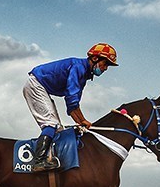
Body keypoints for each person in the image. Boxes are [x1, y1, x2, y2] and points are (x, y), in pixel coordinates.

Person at [22, 43, 118, 172]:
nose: (106, 68)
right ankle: (39, 161)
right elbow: (72, 101)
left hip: (41, 87)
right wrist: (82, 121)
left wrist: (81, 122)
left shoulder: (84, 75)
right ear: (95, 58)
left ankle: (51, 159)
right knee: (51, 125)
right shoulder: (78, 67)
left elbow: (74, 103)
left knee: (58, 129)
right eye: (105, 64)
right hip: (36, 84)